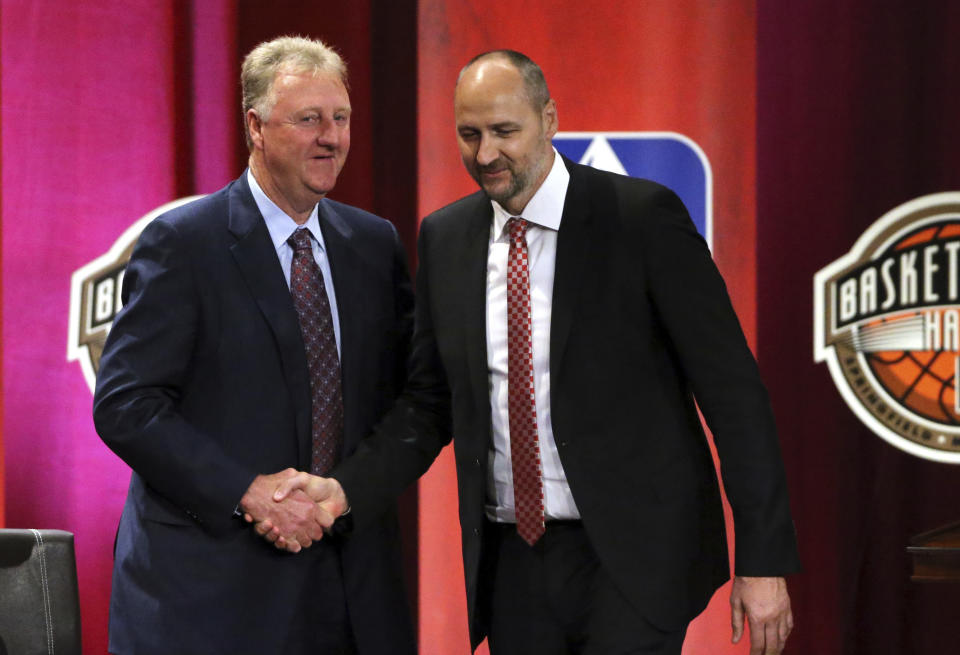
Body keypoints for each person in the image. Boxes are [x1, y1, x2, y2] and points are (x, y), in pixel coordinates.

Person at [270, 50, 801, 655]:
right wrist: (345, 490)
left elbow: (733, 394)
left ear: (548, 120)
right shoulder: (446, 238)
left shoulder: (641, 218)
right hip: (513, 565)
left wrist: (762, 560)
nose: (486, 153)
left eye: (504, 131)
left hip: (634, 559)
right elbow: (427, 406)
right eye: (470, 134)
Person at [93, 36, 415, 655]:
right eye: (308, 119)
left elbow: (409, 402)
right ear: (255, 126)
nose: (331, 137)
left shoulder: (374, 246)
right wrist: (249, 492)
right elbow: (126, 406)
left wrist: (345, 493)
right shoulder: (184, 244)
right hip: (210, 594)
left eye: (340, 118)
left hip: (349, 591)